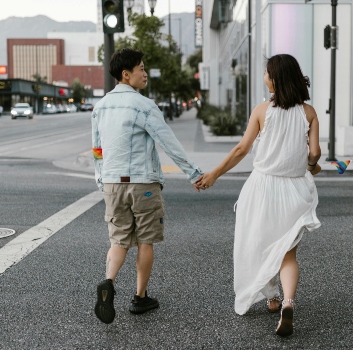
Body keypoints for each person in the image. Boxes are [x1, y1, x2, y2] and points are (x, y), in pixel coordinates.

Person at [195, 54, 321, 337]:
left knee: (261, 243)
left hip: (262, 188)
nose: (264, 76)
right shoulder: (308, 112)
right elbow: (314, 153)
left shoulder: (262, 111)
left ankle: (272, 298)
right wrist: (312, 166)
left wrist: (214, 174)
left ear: (275, 78)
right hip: (294, 190)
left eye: (266, 72)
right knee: (287, 251)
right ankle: (286, 302)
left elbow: (241, 150)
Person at [91, 48, 204, 324]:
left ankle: (108, 282)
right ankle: (140, 298)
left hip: (112, 183)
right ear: (126, 74)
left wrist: (101, 178)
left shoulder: (100, 106)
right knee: (145, 240)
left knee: (118, 239)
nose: (144, 73)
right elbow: (168, 142)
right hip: (143, 184)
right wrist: (193, 173)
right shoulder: (143, 105)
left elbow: (97, 149)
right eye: (140, 68)